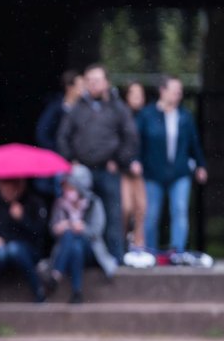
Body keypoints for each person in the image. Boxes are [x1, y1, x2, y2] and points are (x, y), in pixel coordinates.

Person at [57, 63, 140, 262]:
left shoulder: (118, 108)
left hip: (108, 170)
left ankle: (116, 258)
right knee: (81, 217)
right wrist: (72, 161)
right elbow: (63, 136)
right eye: (89, 81)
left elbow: (130, 137)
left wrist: (119, 161)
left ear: (106, 82)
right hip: (82, 173)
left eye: (97, 80)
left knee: (113, 215)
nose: (93, 85)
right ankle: (86, 260)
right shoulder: (77, 108)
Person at [137, 76, 209, 254]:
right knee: (151, 215)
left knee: (179, 211)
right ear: (163, 90)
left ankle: (177, 251)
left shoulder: (185, 116)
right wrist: (136, 161)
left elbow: (194, 143)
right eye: (175, 90)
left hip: (179, 172)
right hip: (153, 173)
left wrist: (201, 165)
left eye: (180, 91)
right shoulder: (147, 115)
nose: (179, 94)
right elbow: (138, 142)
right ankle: (150, 252)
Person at [45, 166, 117, 304]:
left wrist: (83, 228)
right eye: (66, 188)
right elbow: (52, 229)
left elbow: (96, 231)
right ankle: (76, 292)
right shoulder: (60, 204)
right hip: (70, 250)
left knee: (74, 237)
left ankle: (56, 274)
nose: (67, 192)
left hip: (91, 249)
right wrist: (60, 227)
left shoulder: (94, 203)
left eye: (71, 188)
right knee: (74, 244)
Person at [0, 178, 49, 303]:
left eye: (8, 188)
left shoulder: (33, 202)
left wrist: (22, 219)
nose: (4, 191)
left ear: (18, 186)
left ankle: (38, 290)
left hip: (27, 250)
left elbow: (40, 233)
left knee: (15, 250)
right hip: (2, 250)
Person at [34, 70, 83, 199]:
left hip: (79, 163)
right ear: (69, 87)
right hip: (60, 163)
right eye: (80, 85)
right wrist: (59, 152)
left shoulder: (84, 109)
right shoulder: (55, 109)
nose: (83, 89)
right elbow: (42, 134)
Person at [121, 81, 149, 258]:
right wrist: (128, 161)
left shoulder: (147, 117)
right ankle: (122, 245)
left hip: (141, 171)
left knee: (141, 208)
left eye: (141, 95)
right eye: (134, 94)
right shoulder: (121, 116)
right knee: (125, 207)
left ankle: (139, 246)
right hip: (124, 169)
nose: (138, 98)